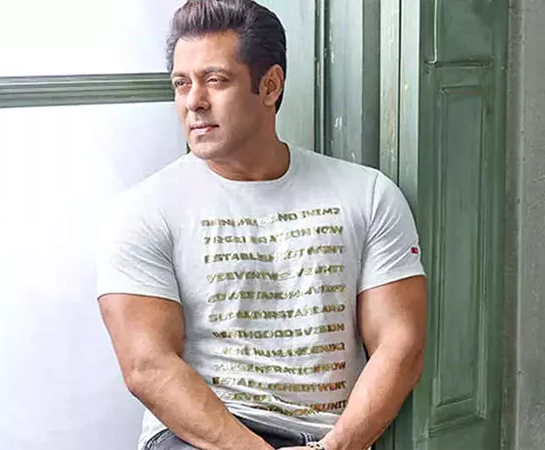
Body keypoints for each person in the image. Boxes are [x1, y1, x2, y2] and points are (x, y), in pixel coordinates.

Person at [96, 0, 427, 449]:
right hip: (198, 436)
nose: (193, 101)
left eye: (215, 80)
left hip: (329, 439)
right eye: (181, 83)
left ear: (270, 85)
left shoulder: (367, 195)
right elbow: (147, 366)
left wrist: (336, 447)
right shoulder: (143, 210)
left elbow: (400, 345)